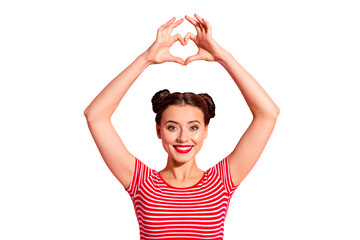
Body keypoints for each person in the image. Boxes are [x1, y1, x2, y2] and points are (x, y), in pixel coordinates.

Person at [84, 14, 279, 240]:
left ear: (206, 130)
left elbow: (268, 114)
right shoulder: (141, 182)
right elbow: (95, 115)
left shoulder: (221, 182)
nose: (183, 138)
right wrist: (146, 59)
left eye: (194, 127)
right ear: (159, 131)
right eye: (173, 127)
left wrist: (222, 57)